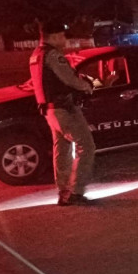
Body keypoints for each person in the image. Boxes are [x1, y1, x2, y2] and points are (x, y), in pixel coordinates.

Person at [29, 18, 96, 206]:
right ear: (55, 36)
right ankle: (76, 191)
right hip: (63, 109)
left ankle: (64, 190)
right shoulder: (53, 55)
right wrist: (86, 86)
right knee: (86, 147)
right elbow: (68, 79)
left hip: (50, 110)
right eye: (63, 36)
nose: (65, 40)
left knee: (62, 150)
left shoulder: (36, 55)